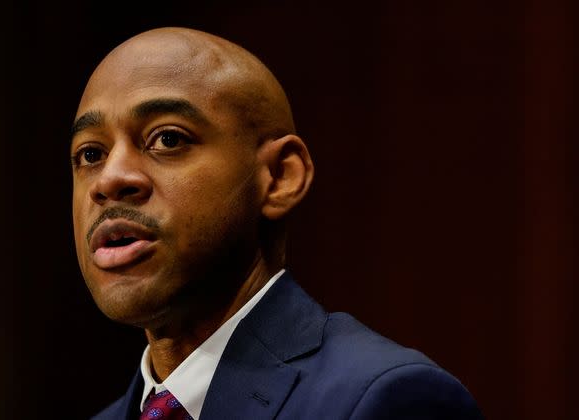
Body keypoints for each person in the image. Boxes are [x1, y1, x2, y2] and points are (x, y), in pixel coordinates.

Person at [70, 27, 483, 420]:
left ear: (280, 177)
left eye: (169, 139)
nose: (109, 180)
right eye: (90, 154)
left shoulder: (382, 400)